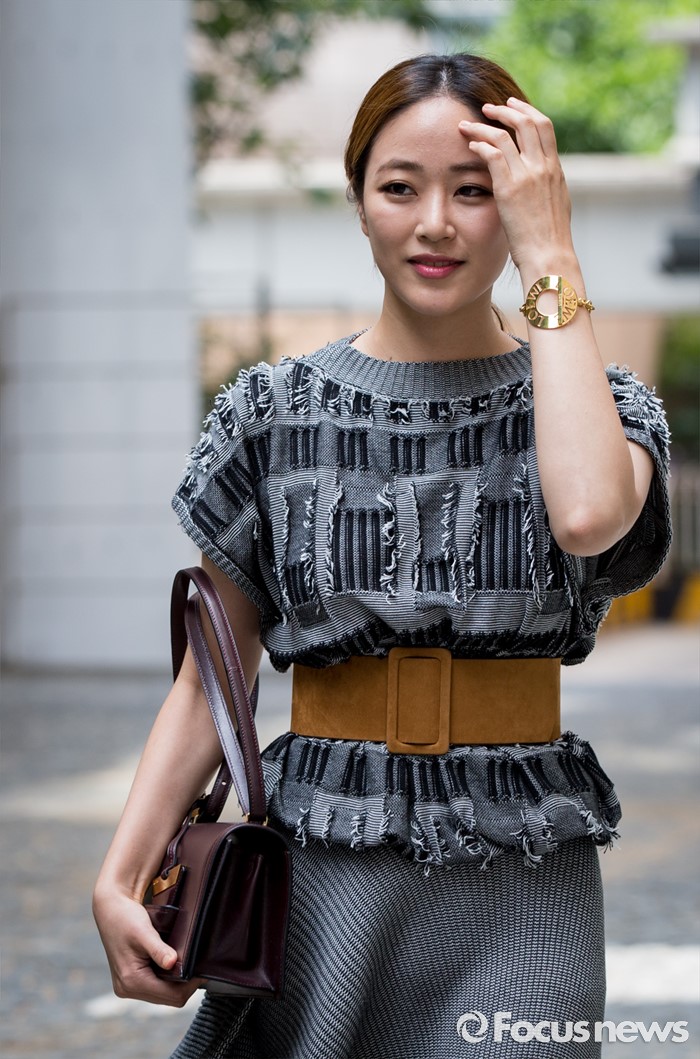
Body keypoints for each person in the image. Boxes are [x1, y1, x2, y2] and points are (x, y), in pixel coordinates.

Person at [93, 53, 671, 1059]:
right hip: (320, 874)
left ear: (523, 202)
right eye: (400, 187)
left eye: (476, 191)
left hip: (522, 877)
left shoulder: (602, 405)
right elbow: (211, 678)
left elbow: (585, 515)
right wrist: (120, 872)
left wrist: (553, 255)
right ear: (358, 201)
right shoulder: (273, 413)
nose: (435, 223)